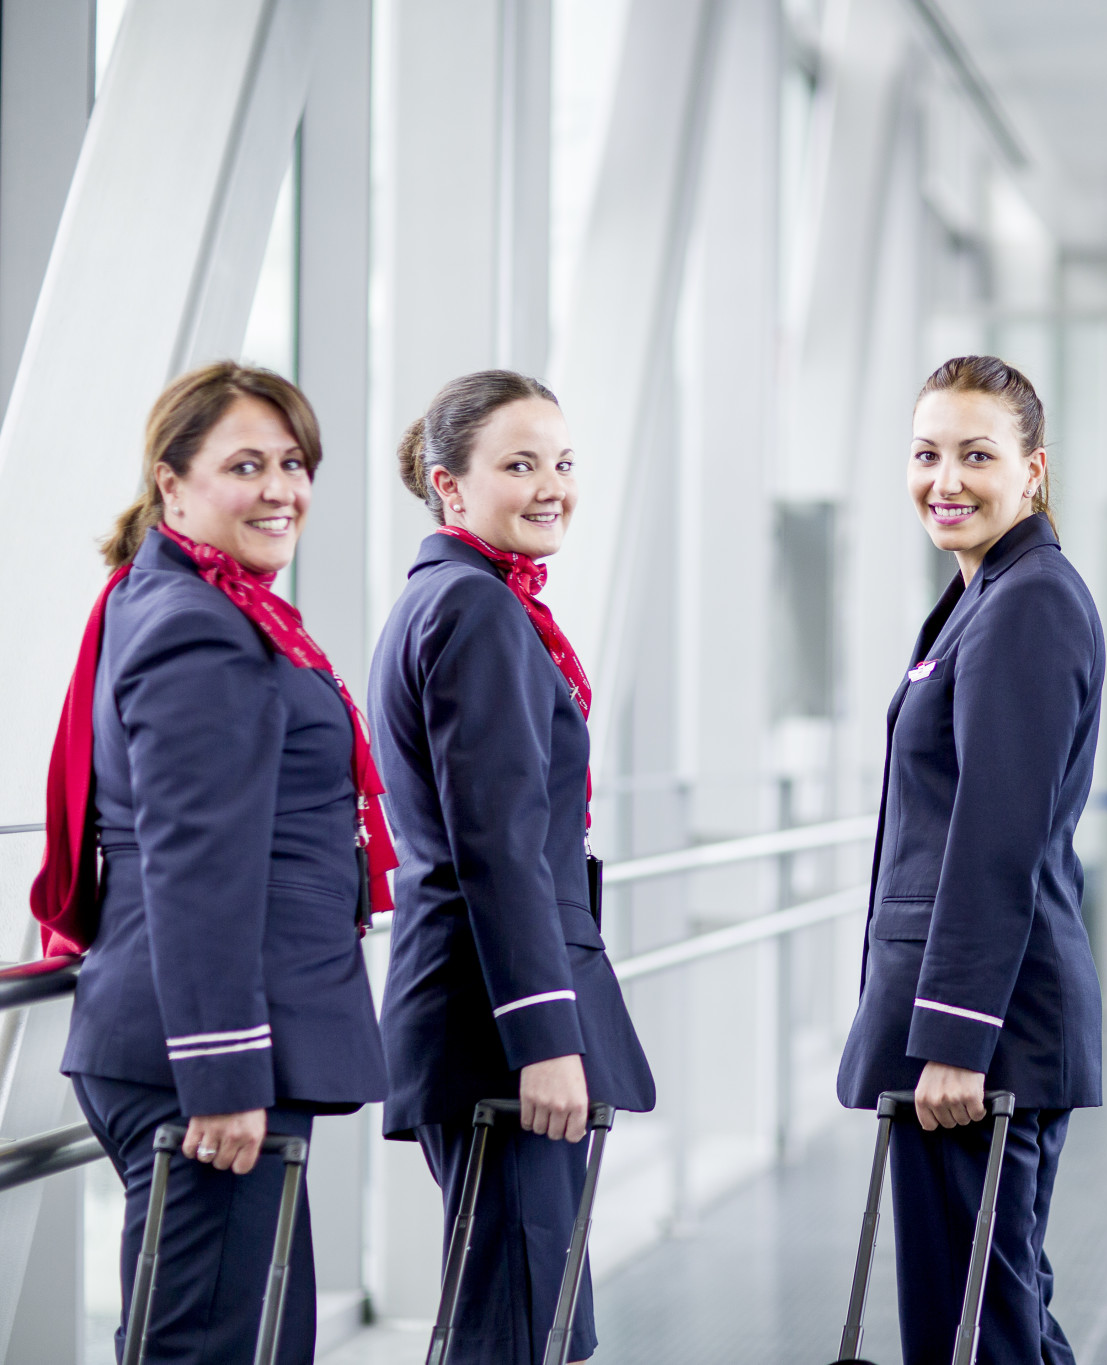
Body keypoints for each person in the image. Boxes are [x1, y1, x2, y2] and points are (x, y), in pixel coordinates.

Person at [34, 363, 391, 1364]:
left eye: (293, 463)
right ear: (172, 482)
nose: (281, 488)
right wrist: (224, 1072)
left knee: (248, 1338)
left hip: (203, 1038)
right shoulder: (197, 624)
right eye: (246, 464)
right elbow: (196, 858)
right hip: (210, 1056)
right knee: (210, 1348)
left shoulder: (186, 601)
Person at [370, 370, 655, 1365]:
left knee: (518, 1317)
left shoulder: (454, 600)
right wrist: (543, 1037)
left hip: (479, 1008)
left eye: (563, 463)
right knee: (518, 1328)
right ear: (449, 487)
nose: (551, 486)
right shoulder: (476, 611)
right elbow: (497, 845)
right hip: (500, 1026)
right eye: (519, 465)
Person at [836, 355, 1104, 1365]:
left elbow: (997, 834)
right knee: (992, 1315)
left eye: (975, 456)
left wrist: (953, 1035)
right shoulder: (982, 594)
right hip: (975, 1021)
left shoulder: (1027, 600)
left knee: (976, 1329)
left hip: (982, 1035)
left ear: (1032, 471)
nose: (944, 479)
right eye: (925, 454)